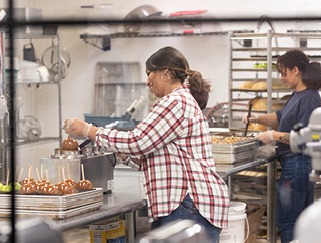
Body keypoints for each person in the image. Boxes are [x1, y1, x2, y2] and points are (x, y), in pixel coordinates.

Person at [64, 46, 229, 242]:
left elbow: (137, 141)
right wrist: (119, 151)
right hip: (183, 204)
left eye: (150, 73)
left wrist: (88, 130)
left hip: (188, 203)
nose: (147, 81)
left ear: (165, 73)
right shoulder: (179, 101)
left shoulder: (175, 102)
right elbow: (148, 158)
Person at [242, 49, 321, 243]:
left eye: (284, 72)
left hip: (298, 165)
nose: (282, 78)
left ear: (295, 70)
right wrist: (256, 118)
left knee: (288, 222)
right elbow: (280, 116)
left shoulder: (309, 98)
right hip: (297, 165)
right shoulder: (298, 95)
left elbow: (304, 137)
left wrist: (272, 135)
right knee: (300, 222)